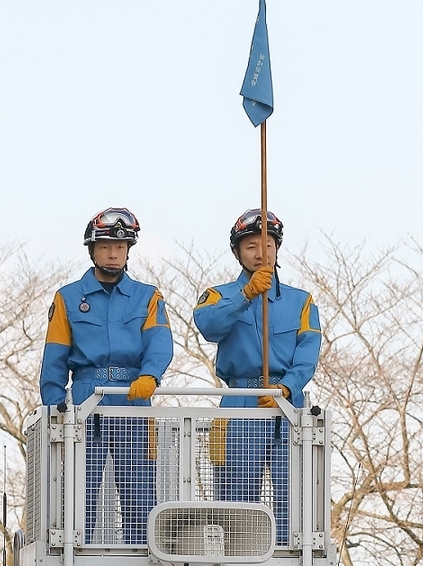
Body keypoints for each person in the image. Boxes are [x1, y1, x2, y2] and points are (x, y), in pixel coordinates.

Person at [40, 208, 174, 545]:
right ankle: (76, 552)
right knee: (79, 487)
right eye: (105, 247)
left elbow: (160, 344)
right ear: (92, 249)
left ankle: (141, 553)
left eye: (120, 246)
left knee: (139, 489)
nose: (113, 253)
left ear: (128, 250)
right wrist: (54, 407)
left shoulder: (148, 296)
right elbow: (54, 358)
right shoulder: (68, 297)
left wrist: (150, 377)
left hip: (133, 396)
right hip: (87, 398)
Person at [193, 210, 322, 544]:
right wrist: (246, 295)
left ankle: (291, 560)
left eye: (268, 244)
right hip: (239, 404)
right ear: (237, 252)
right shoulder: (218, 295)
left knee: (294, 494)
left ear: (278, 248)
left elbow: (307, 356)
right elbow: (208, 326)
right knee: (236, 496)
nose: (261, 253)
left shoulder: (302, 301)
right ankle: (238, 558)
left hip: (287, 406)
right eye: (251, 246)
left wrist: (286, 387)